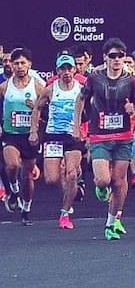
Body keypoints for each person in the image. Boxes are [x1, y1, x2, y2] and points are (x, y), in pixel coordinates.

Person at [74, 39, 135, 240]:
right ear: (105, 57)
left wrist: (134, 111)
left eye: (120, 55)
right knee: (103, 179)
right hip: (100, 135)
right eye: (113, 56)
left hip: (123, 136)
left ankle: (111, 222)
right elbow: (80, 99)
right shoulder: (95, 78)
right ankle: (100, 188)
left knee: (118, 181)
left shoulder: (133, 80)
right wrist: (77, 126)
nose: (117, 59)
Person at [29, 55, 86, 229]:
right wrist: (33, 131)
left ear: (74, 70)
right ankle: (69, 187)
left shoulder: (81, 89)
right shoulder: (50, 89)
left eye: (70, 69)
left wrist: (88, 133)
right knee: (51, 178)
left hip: (73, 136)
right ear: (58, 71)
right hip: (53, 135)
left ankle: (65, 213)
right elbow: (37, 108)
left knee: (71, 174)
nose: (67, 72)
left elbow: (92, 109)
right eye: (63, 69)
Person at [0, 48, 42, 222]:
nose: (19, 66)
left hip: (30, 136)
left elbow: (47, 111)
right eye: (15, 63)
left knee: (28, 174)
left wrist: (36, 107)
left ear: (29, 64)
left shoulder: (38, 87)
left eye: (22, 63)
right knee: (11, 165)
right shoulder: (4, 87)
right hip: (11, 134)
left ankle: (26, 208)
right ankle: (13, 190)